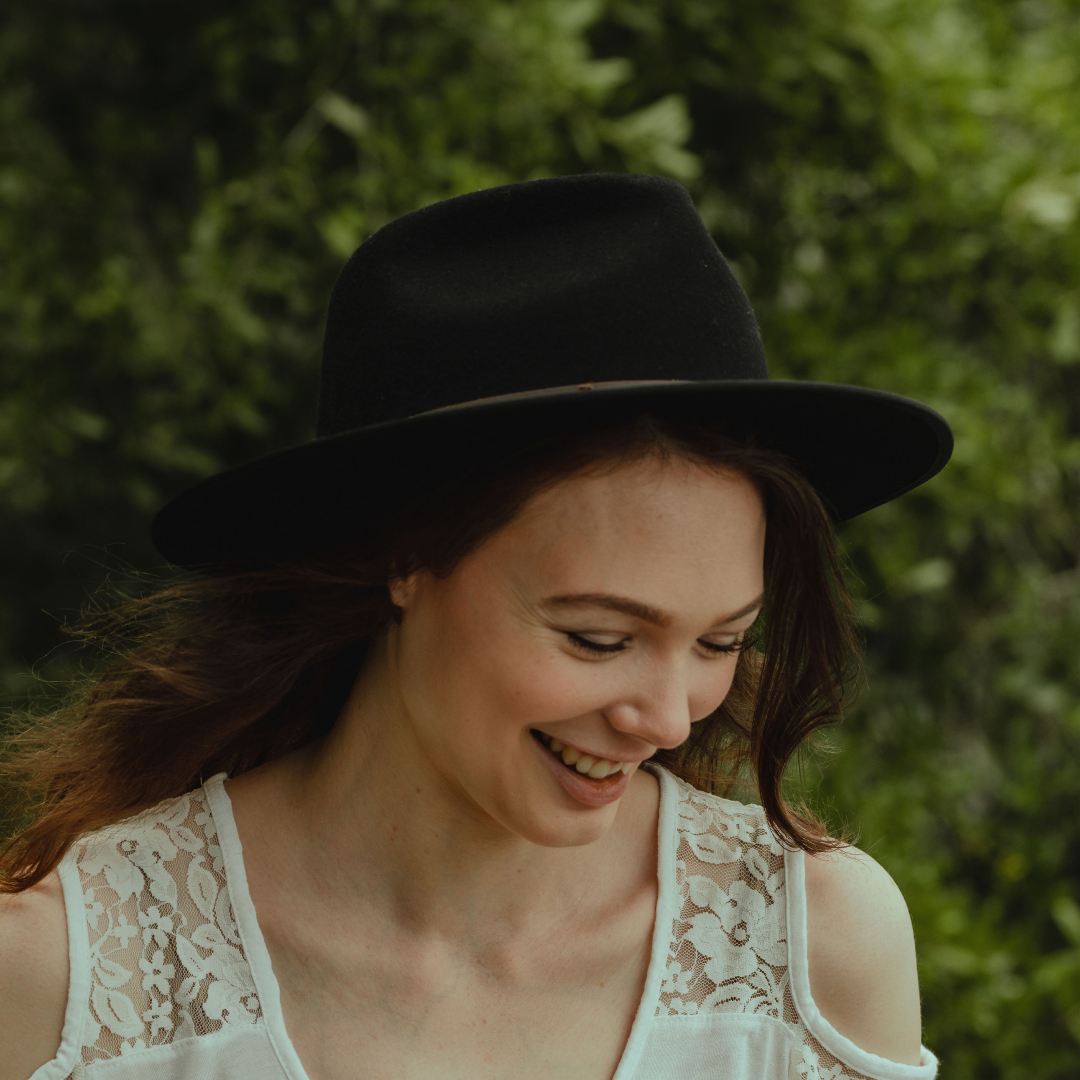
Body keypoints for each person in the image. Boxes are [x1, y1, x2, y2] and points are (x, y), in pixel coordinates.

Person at [0, 173, 950, 1079]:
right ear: (402, 559)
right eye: (598, 638)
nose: (668, 720)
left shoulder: (817, 949)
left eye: (720, 642)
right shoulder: (62, 977)